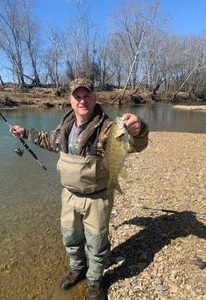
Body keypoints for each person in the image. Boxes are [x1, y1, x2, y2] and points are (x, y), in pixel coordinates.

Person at [10, 77, 149, 300]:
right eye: (78, 96)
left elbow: (136, 145)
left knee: (96, 241)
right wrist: (24, 133)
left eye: (87, 96)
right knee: (71, 237)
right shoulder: (65, 126)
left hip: (97, 198)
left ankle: (94, 280)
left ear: (94, 98)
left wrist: (139, 129)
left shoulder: (109, 128)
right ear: (71, 100)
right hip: (69, 196)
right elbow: (48, 141)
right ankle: (78, 269)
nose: (82, 100)